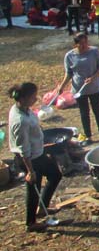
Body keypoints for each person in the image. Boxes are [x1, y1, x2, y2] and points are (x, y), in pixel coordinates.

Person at [7, 82, 62, 232]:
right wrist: (30, 171)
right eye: (33, 97)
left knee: (54, 174)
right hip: (29, 159)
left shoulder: (22, 109)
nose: (35, 99)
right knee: (34, 186)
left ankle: (42, 208)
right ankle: (30, 223)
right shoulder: (20, 120)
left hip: (37, 152)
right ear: (23, 98)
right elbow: (23, 148)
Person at [56, 33, 99, 143]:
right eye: (81, 44)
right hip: (79, 89)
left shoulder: (94, 51)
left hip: (94, 87)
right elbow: (69, 73)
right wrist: (62, 86)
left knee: (97, 110)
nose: (84, 46)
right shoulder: (69, 56)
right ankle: (88, 136)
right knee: (84, 113)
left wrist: (93, 77)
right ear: (75, 44)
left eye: (85, 43)